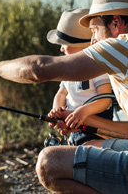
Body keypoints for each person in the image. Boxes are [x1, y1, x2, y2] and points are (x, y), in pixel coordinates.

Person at [0, 0, 128, 193]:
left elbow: (38, 69)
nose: (93, 40)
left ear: (116, 23)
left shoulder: (125, 46)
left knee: (49, 162)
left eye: (95, 29)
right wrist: (84, 122)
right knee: (86, 148)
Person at [46, 8, 112, 146]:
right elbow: (61, 93)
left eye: (65, 44)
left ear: (83, 46)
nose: (61, 49)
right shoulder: (69, 70)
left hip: (94, 127)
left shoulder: (98, 67)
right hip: (73, 126)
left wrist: (82, 113)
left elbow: (105, 100)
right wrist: (56, 109)